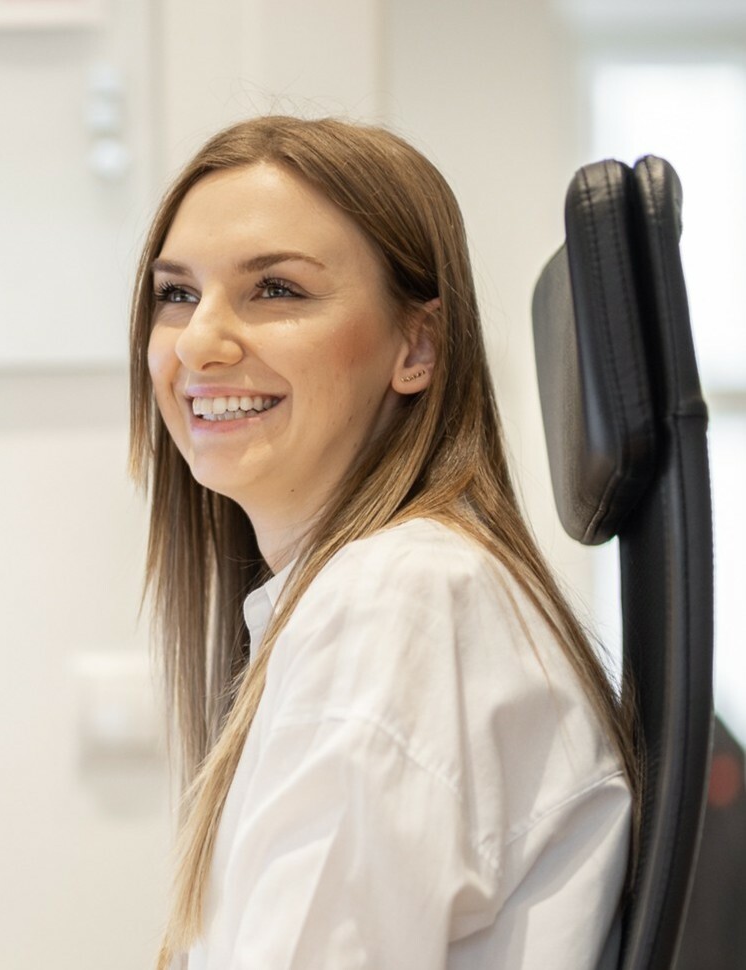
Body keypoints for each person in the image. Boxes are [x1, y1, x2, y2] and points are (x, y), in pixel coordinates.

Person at [129, 116, 636, 969]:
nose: (200, 343)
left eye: (276, 289)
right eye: (177, 294)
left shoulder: (398, 597)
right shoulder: (378, 592)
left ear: (417, 345)